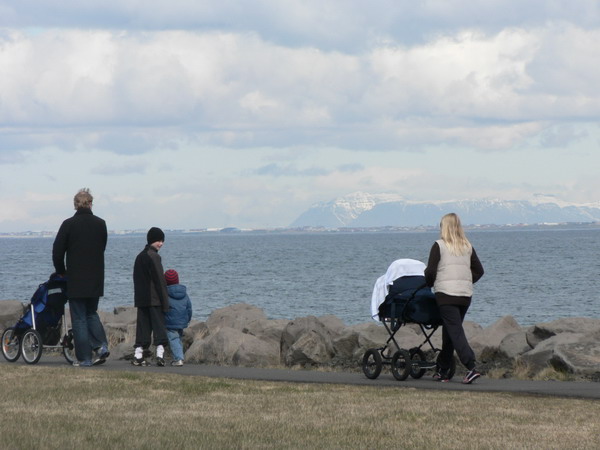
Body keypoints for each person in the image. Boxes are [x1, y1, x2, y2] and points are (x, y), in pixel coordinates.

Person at [424, 213, 484, 384]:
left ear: (444, 227)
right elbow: (479, 271)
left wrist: (428, 284)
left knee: (455, 331)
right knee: (450, 333)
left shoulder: (439, 246)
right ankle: (443, 370)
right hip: (465, 295)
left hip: (446, 295)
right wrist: (465, 281)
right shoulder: (467, 246)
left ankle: (471, 366)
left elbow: (430, 271)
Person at [52, 188, 110, 367]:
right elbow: (102, 247)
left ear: (75, 205)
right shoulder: (101, 223)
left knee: (79, 318)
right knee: (92, 313)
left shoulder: (68, 224)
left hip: (76, 277)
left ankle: (84, 358)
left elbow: (57, 252)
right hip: (95, 277)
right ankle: (100, 345)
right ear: (91, 203)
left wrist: (61, 271)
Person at [132, 227, 170, 367]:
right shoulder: (154, 256)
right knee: (159, 328)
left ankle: (138, 355)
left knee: (143, 329)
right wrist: (165, 302)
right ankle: (160, 356)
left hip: (142, 299)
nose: (161, 244)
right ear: (152, 240)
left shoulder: (139, 256)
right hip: (154, 299)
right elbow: (160, 281)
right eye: (159, 240)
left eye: (162, 241)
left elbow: (136, 279)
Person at [163, 269, 193, 366]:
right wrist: (188, 319)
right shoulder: (184, 294)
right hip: (182, 321)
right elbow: (189, 308)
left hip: (170, 323)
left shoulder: (165, 294)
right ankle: (178, 357)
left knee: (174, 339)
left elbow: (163, 309)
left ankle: (178, 359)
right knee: (178, 338)